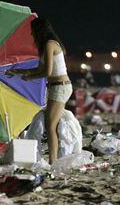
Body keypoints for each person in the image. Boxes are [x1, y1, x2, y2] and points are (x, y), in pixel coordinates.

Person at [8, 18, 72, 164]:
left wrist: (30, 77)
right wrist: (18, 72)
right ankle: (54, 158)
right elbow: (39, 69)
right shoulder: (46, 47)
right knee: (51, 125)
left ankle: (53, 161)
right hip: (56, 87)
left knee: (50, 126)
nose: (32, 34)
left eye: (33, 31)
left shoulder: (50, 44)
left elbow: (48, 72)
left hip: (60, 86)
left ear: (39, 30)